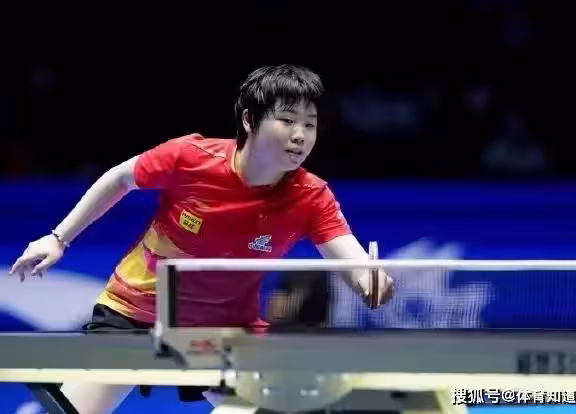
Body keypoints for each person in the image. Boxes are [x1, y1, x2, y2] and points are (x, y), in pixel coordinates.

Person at [9, 64, 394, 413]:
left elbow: (351, 257)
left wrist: (369, 280)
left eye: (310, 124)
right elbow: (121, 178)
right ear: (249, 120)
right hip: (136, 314)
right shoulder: (190, 157)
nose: (300, 135)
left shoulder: (310, 195)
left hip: (225, 332)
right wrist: (59, 238)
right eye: (287, 120)